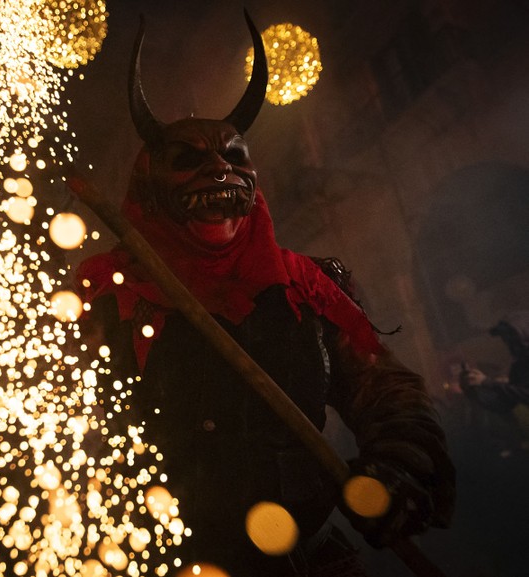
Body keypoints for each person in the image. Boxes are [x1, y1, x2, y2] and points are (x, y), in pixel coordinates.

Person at [75, 11, 455, 577]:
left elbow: (388, 392)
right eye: (189, 160)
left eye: (234, 157)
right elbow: (72, 434)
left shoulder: (310, 287)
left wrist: (397, 469)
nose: (219, 171)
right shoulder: (112, 298)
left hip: (311, 560)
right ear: (150, 186)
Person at [459, 311, 529, 456]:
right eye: (506, 339)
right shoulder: (519, 365)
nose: (508, 343)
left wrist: (488, 382)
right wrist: (472, 390)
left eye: (512, 337)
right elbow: (504, 404)